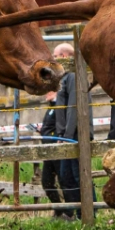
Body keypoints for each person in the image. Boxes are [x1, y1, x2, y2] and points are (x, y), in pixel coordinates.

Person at [38, 43, 82, 219]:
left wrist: (65, 136)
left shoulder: (71, 81)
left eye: (55, 57)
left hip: (62, 142)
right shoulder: (54, 101)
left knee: (71, 178)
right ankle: (65, 211)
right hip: (55, 144)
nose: (53, 60)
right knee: (59, 178)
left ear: (64, 57)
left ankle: (78, 212)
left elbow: (72, 111)